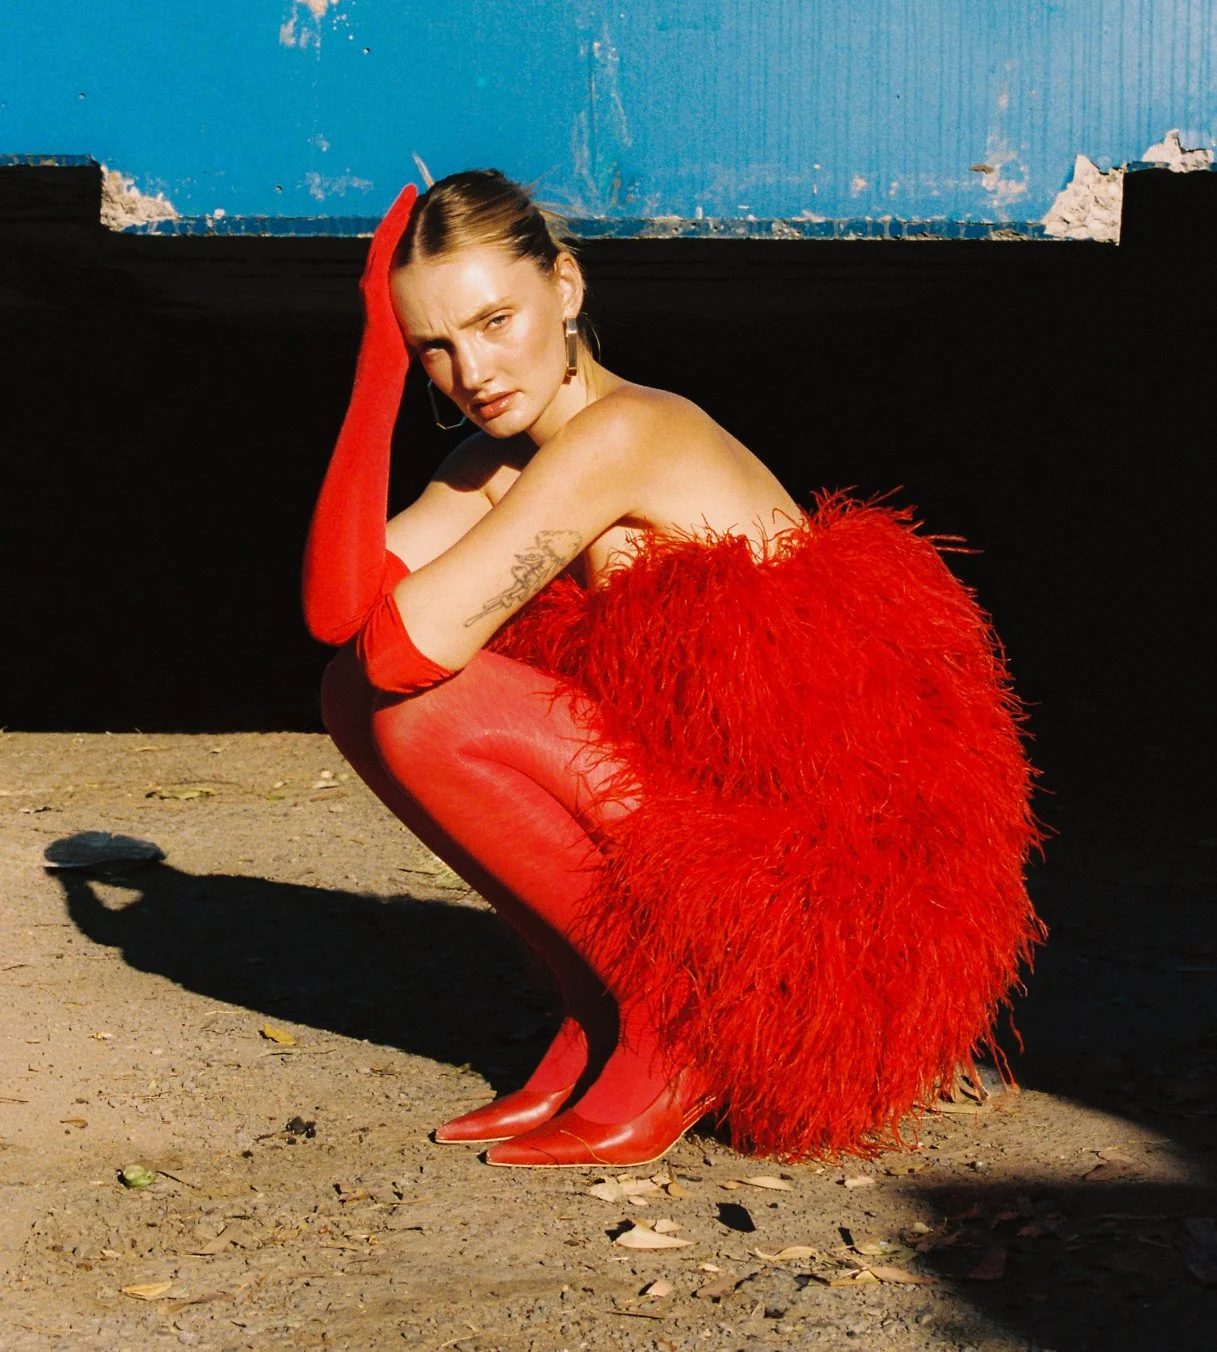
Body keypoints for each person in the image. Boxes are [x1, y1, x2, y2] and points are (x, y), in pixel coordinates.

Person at [303, 170, 1042, 1168]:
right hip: (704, 856)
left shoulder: (628, 432)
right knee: (346, 695)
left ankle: (668, 1024)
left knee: (420, 709)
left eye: (493, 321)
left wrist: (393, 363)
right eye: (431, 345)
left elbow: (402, 654)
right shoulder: (491, 467)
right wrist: (372, 373)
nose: (470, 370)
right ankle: (598, 1008)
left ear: (565, 287)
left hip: (812, 910)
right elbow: (335, 617)